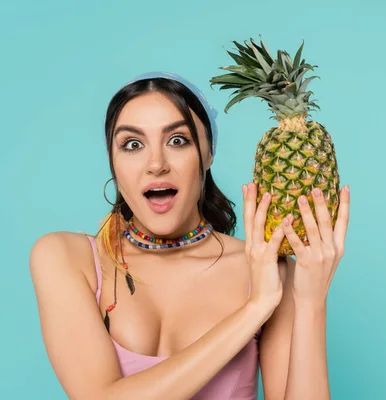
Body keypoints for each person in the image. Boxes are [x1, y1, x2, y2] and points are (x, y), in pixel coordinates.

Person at [29, 71, 350, 400]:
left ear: (208, 153)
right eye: (133, 144)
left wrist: (311, 303)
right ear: (113, 161)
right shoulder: (66, 257)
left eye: (177, 140)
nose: (156, 164)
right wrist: (255, 308)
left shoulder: (270, 270)